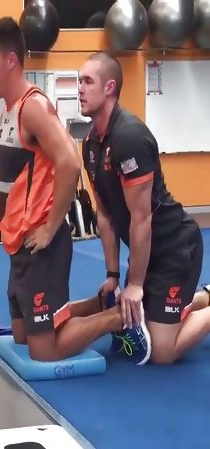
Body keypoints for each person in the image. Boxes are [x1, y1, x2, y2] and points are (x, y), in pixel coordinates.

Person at [0, 16, 151, 363]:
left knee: (44, 350)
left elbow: (70, 163)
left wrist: (50, 228)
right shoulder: (10, 110)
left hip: (42, 244)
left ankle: (121, 318)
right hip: (20, 243)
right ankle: (100, 304)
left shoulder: (33, 107)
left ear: (10, 61)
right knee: (23, 336)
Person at [79, 51, 210, 365]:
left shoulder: (130, 137)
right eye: (79, 81)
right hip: (147, 252)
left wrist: (135, 284)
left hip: (175, 249)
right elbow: (105, 215)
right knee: (137, 325)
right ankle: (202, 297)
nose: (79, 89)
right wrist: (113, 275)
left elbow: (141, 217)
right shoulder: (91, 144)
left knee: (161, 351)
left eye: (87, 81)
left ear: (109, 87)